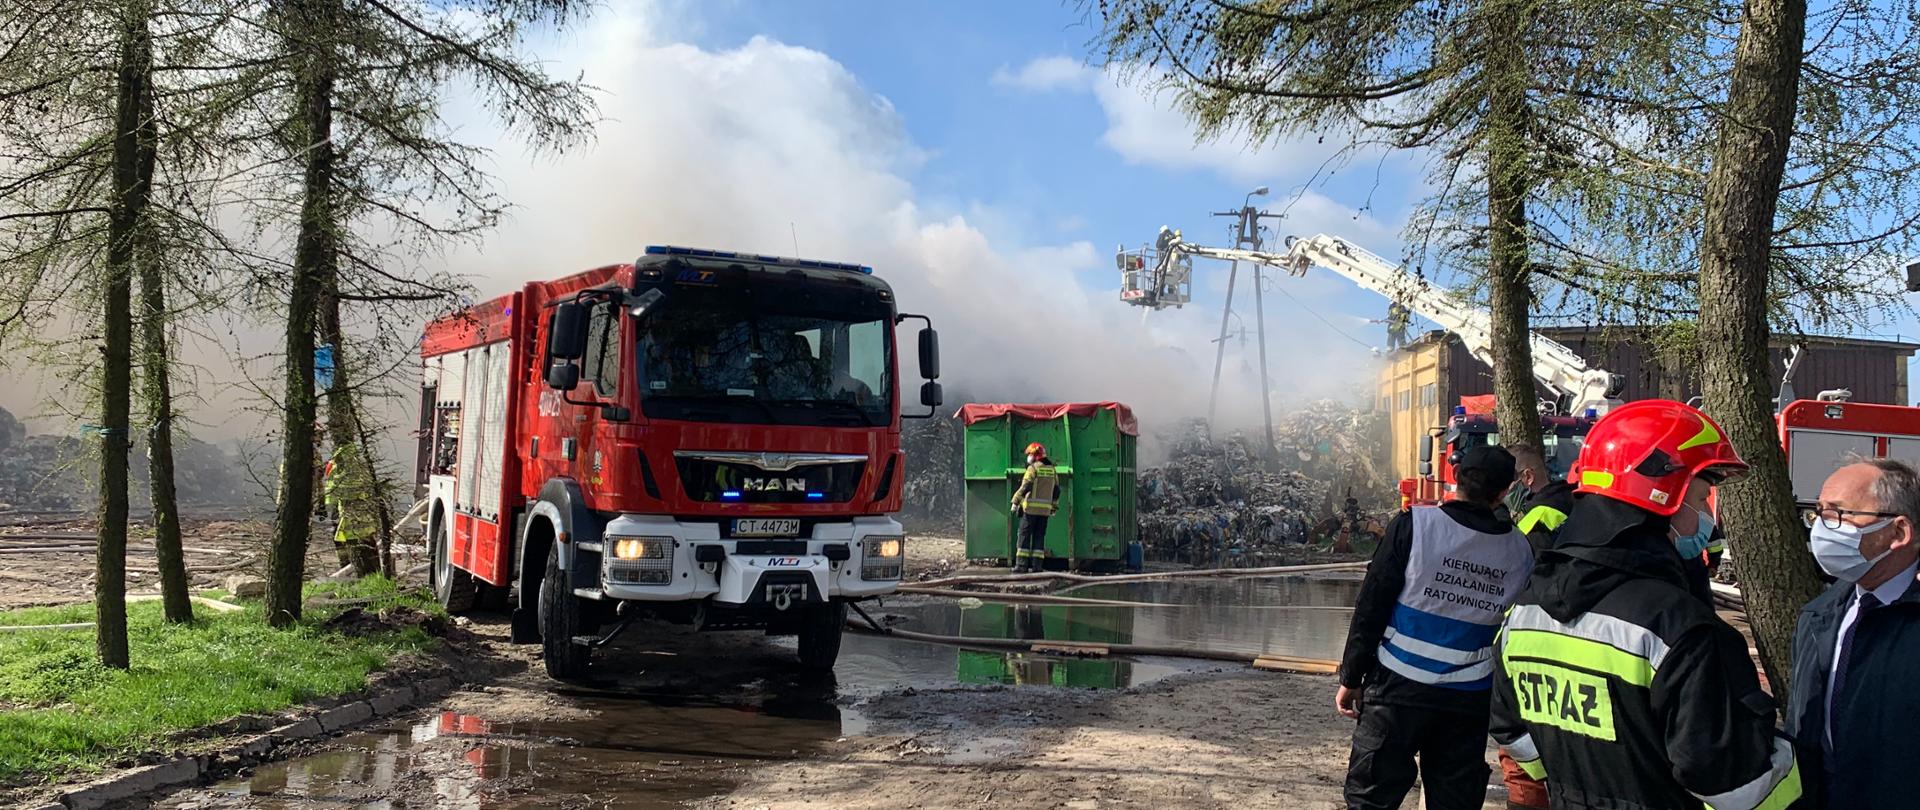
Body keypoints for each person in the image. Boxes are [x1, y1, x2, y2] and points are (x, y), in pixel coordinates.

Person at [1488, 400, 1804, 810]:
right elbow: (1734, 783)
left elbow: (1510, 730)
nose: (1707, 512)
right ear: (1664, 492)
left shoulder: (1525, 611)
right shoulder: (1685, 630)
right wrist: (1799, 762)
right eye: (1704, 492)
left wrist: (1577, 779)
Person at [1336, 446, 1534, 810]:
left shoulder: (1415, 525)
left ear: (1455, 477)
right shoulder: (1520, 551)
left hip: (1396, 687)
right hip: (1468, 698)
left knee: (1371, 798)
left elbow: (1372, 605)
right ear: (1505, 492)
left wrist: (1351, 677)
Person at [1786, 459, 1920, 808]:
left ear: (1898, 532)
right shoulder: (1820, 615)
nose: (1823, 528)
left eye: (1839, 515)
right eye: (1819, 514)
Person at [323, 442, 381, 574]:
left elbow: (332, 488)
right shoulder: (357, 463)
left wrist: (324, 504)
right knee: (362, 541)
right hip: (355, 509)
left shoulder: (339, 464)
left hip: (343, 509)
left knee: (346, 540)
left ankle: (347, 567)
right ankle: (358, 569)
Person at [1008, 442, 1059, 574]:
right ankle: (1037, 567)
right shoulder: (1052, 470)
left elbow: (1025, 487)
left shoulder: (1033, 469)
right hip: (1045, 511)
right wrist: (1053, 507)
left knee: (1024, 536)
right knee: (1039, 537)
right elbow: (1057, 490)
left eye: (1030, 454)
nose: (1028, 457)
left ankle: (1021, 566)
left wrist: (1015, 502)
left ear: (1036, 455)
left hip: (1030, 510)